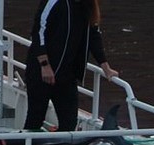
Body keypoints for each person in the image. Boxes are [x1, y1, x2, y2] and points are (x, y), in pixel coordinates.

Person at [24, 0, 118, 131]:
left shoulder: (87, 6)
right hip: (41, 71)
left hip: (67, 74)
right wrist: (44, 64)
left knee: (69, 121)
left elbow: (93, 36)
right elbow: (38, 32)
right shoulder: (54, 2)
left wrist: (106, 67)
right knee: (35, 117)